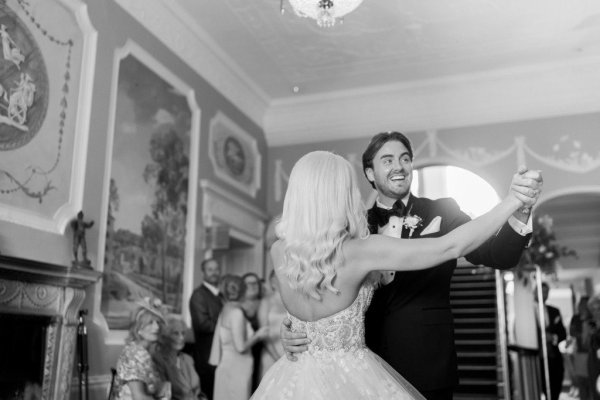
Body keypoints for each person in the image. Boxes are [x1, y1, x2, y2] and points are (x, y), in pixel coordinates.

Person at [251, 150, 536, 400]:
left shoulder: (278, 251)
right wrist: (512, 201)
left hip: (294, 375)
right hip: (354, 374)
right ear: (340, 193)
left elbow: (303, 311)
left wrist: (290, 328)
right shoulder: (361, 251)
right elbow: (451, 245)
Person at [210, 275, 268, 400]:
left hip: (228, 364)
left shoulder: (227, 307)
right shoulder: (236, 313)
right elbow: (240, 347)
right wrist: (258, 335)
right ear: (243, 291)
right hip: (236, 368)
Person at [112, 298, 170, 400]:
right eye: (150, 323)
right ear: (138, 329)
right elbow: (139, 397)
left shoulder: (144, 352)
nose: (156, 327)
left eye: (158, 322)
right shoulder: (134, 353)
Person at [189, 259, 223, 400]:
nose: (214, 273)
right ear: (203, 273)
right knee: (210, 393)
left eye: (216, 269)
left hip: (221, 355)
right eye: (210, 269)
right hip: (206, 356)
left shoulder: (221, 295)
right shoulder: (198, 295)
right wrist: (228, 326)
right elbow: (202, 325)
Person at [154, 314, 205, 400]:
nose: (181, 338)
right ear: (165, 336)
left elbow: (199, 393)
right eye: (176, 333)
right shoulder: (158, 360)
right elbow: (162, 396)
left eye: (183, 333)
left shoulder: (188, 359)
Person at [535, 282, 567, 400]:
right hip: (537, 357)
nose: (544, 294)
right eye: (541, 291)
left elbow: (562, 333)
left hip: (554, 357)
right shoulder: (529, 311)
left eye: (546, 292)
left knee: (556, 385)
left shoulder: (554, 311)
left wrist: (553, 338)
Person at [257, 270, 286, 378]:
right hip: (271, 352)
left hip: (289, 352)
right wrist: (277, 358)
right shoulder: (266, 302)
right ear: (272, 281)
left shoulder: (292, 301)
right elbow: (263, 333)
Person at [241, 272, 263, 389]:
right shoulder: (238, 305)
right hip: (244, 351)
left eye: (255, 283)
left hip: (262, 350)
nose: (253, 285)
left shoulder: (264, 302)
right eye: (249, 283)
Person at [567, 295, 592, 400]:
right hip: (580, 353)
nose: (583, 306)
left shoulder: (592, 318)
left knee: (591, 381)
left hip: (591, 353)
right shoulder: (576, 318)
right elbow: (572, 333)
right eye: (581, 304)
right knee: (581, 381)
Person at [587, 295, 600, 400]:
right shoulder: (593, 325)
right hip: (594, 363)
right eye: (592, 310)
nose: (595, 313)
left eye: (597, 309)